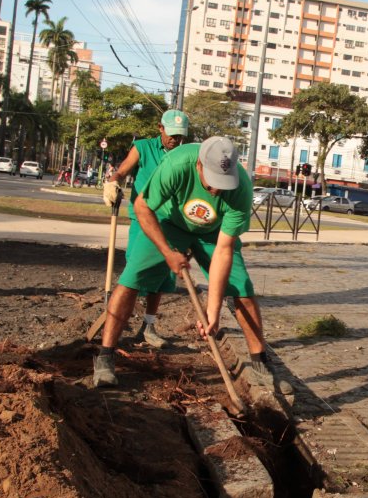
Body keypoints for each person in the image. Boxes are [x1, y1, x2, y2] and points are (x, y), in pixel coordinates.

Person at [93, 135, 280, 391]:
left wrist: (212, 311)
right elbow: (142, 207)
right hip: (169, 223)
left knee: (242, 288)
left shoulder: (240, 189)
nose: (216, 190)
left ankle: (260, 362)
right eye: (212, 181)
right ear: (199, 165)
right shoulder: (177, 164)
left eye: (222, 183)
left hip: (214, 234)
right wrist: (168, 252)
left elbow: (224, 250)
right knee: (132, 278)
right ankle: (105, 357)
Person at [102, 109, 191, 348]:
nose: (176, 140)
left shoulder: (183, 153)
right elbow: (123, 170)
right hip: (143, 219)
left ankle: (148, 326)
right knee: (134, 272)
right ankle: (115, 325)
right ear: (160, 128)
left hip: (172, 222)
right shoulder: (143, 147)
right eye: (172, 134)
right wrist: (113, 182)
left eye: (180, 136)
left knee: (163, 275)